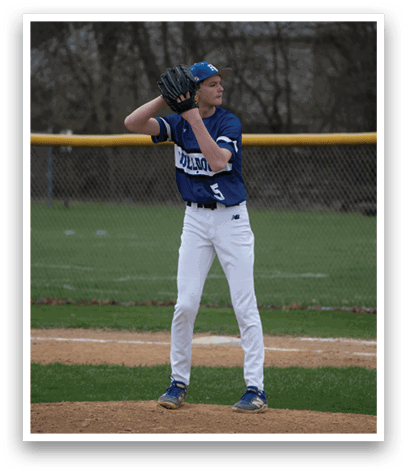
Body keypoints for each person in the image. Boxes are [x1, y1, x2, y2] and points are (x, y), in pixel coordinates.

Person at [124, 61, 267, 413]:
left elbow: (218, 160)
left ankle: (255, 389)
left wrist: (191, 116)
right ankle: (178, 383)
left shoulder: (228, 122)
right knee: (185, 304)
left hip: (231, 220)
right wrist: (165, 97)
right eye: (212, 84)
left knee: (244, 304)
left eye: (221, 83)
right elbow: (132, 124)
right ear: (195, 89)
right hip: (195, 220)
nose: (220, 89)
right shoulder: (176, 121)